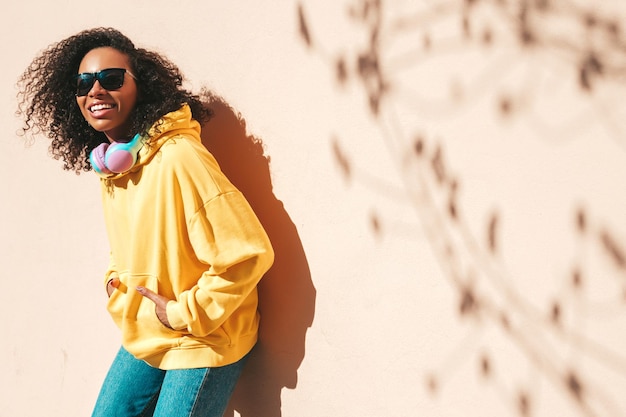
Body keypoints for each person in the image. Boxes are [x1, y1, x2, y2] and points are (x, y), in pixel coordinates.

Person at [16, 27, 275, 417]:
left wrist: (183, 312)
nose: (95, 91)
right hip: (150, 327)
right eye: (83, 83)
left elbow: (248, 253)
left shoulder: (178, 158)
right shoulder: (113, 164)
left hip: (203, 333)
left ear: (143, 87)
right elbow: (133, 242)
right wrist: (115, 278)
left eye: (112, 79)